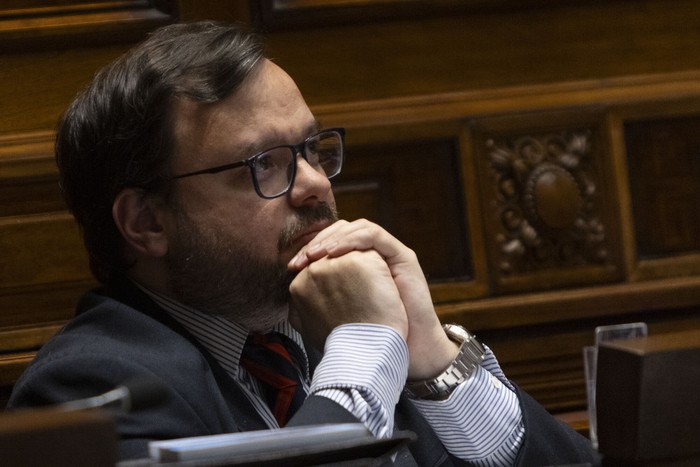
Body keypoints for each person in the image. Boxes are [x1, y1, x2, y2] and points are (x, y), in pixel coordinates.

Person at [8, 21, 599, 466]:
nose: (316, 183)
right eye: (265, 164)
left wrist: (434, 366)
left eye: (313, 149)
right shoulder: (93, 393)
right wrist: (363, 357)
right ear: (146, 222)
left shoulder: (343, 330)